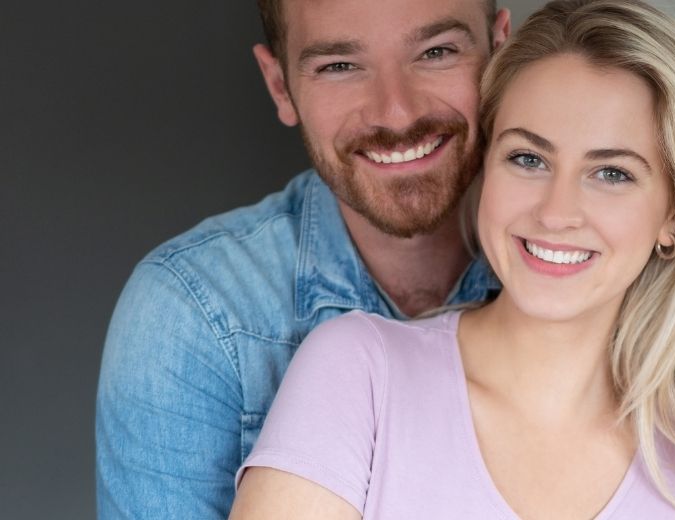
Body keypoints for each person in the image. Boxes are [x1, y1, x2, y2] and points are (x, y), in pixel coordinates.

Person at [230, 0, 675, 518]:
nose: (556, 210)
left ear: (674, 214)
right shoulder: (358, 371)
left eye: (612, 172)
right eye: (529, 158)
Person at [95, 0, 512, 516]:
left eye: (436, 52)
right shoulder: (192, 315)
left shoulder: (599, 273)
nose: (397, 112)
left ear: (500, 51)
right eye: (339, 66)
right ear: (279, 85)